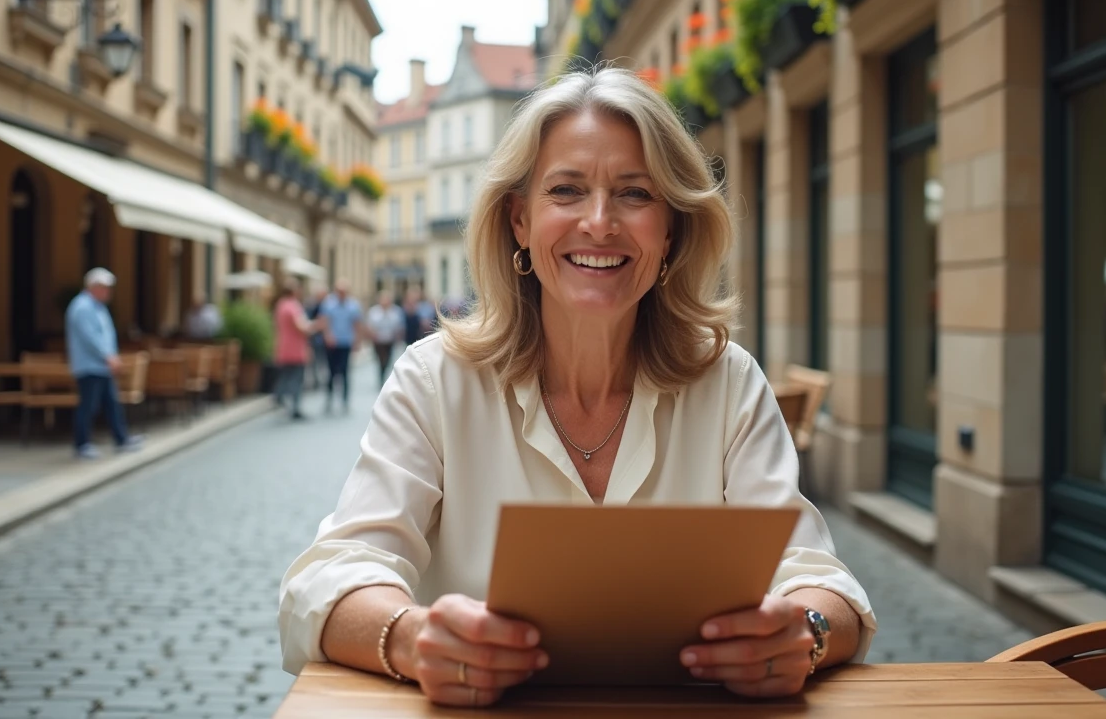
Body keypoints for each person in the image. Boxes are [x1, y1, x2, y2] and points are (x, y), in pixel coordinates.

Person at [279, 67, 876, 707]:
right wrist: (409, 636)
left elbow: (816, 579)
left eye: (635, 195)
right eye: (566, 190)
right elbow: (331, 576)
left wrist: (804, 633)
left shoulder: (728, 382)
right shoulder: (436, 380)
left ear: (671, 228)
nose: (599, 222)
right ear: (519, 220)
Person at [65, 268, 144, 459]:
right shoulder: (83, 307)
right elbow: (91, 338)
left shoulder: (96, 306)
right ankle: (81, 444)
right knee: (88, 406)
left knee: (111, 404)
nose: (109, 291)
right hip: (90, 366)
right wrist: (108, 356)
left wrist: (110, 357)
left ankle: (121, 439)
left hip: (101, 366)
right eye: (105, 287)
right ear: (94, 287)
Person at [274, 278, 316, 420]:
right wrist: (314, 326)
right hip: (296, 349)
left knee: (285, 375)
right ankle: (295, 408)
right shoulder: (293, 306)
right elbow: (301, 327)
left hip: (283, 346)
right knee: (297, 379)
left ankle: (279, 396)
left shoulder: (280, 305)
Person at [318, 279, 362, 413]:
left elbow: (357, 324)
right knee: (331, 372)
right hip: (333, 343)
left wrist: (357, 341)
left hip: (345, 342)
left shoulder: (353, 305)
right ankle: (329, 398)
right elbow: (324, 322)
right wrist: (327, 336)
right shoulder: (328, 304)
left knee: (345, 371)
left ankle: (345, 400)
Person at [364, 291, 405, 386]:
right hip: (378, 341)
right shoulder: (373, 312)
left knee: (388, 360)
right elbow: (369, 326)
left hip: (389, 340)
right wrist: (372, 335)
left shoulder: (396, 311)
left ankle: (384, 374)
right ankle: (381, 376)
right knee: (380, 359)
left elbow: (399, 326)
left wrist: (398, 337)